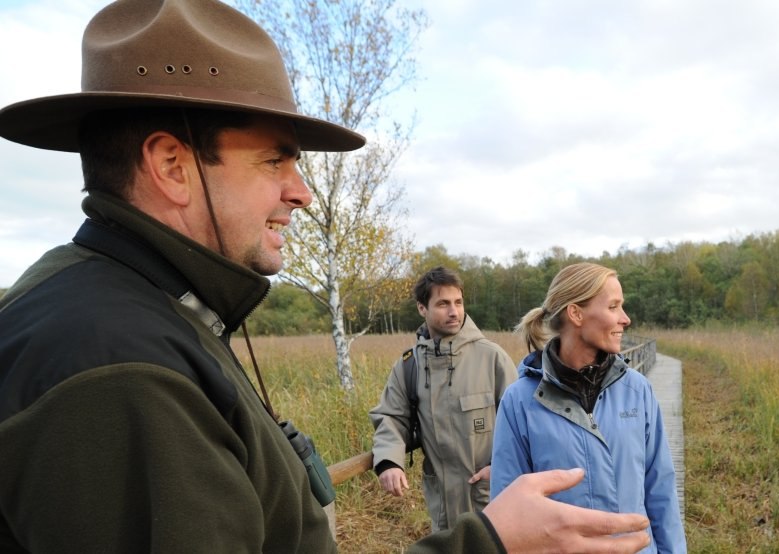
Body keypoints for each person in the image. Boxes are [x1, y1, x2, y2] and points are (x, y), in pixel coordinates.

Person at [0, 1, 653, 552]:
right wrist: (490, 543)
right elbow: (394, 413)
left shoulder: (148, 312)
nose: (301, 192)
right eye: (274, 161)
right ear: (172, 165)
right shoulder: (118, 373)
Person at [491, 262, 687, 553]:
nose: (626, 319)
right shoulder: (519, 402)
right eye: (613, 307)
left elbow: (661, 492)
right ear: (576, 314)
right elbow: (509, 510)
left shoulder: (638, 391)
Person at [370, 267, 518, 532]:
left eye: (458, 302)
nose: (454, 312)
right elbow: (390, 417)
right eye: (443, 304)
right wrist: (389, 461)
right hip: (441, 508)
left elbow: (522, 423)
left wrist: (499, 468)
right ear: (422, 308)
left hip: (492, 500)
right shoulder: (409, 365)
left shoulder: (492, 357)